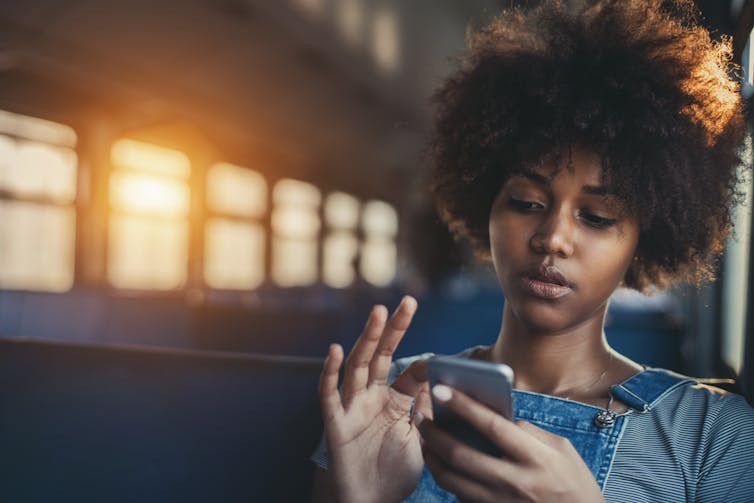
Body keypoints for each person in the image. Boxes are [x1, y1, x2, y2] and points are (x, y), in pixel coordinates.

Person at [311, 0, 754, 501]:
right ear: (487, 206)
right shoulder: (386, 398)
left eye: (597, 217)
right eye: (526, 202)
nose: (552, 238)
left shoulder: (714, 437)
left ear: (644, 238)